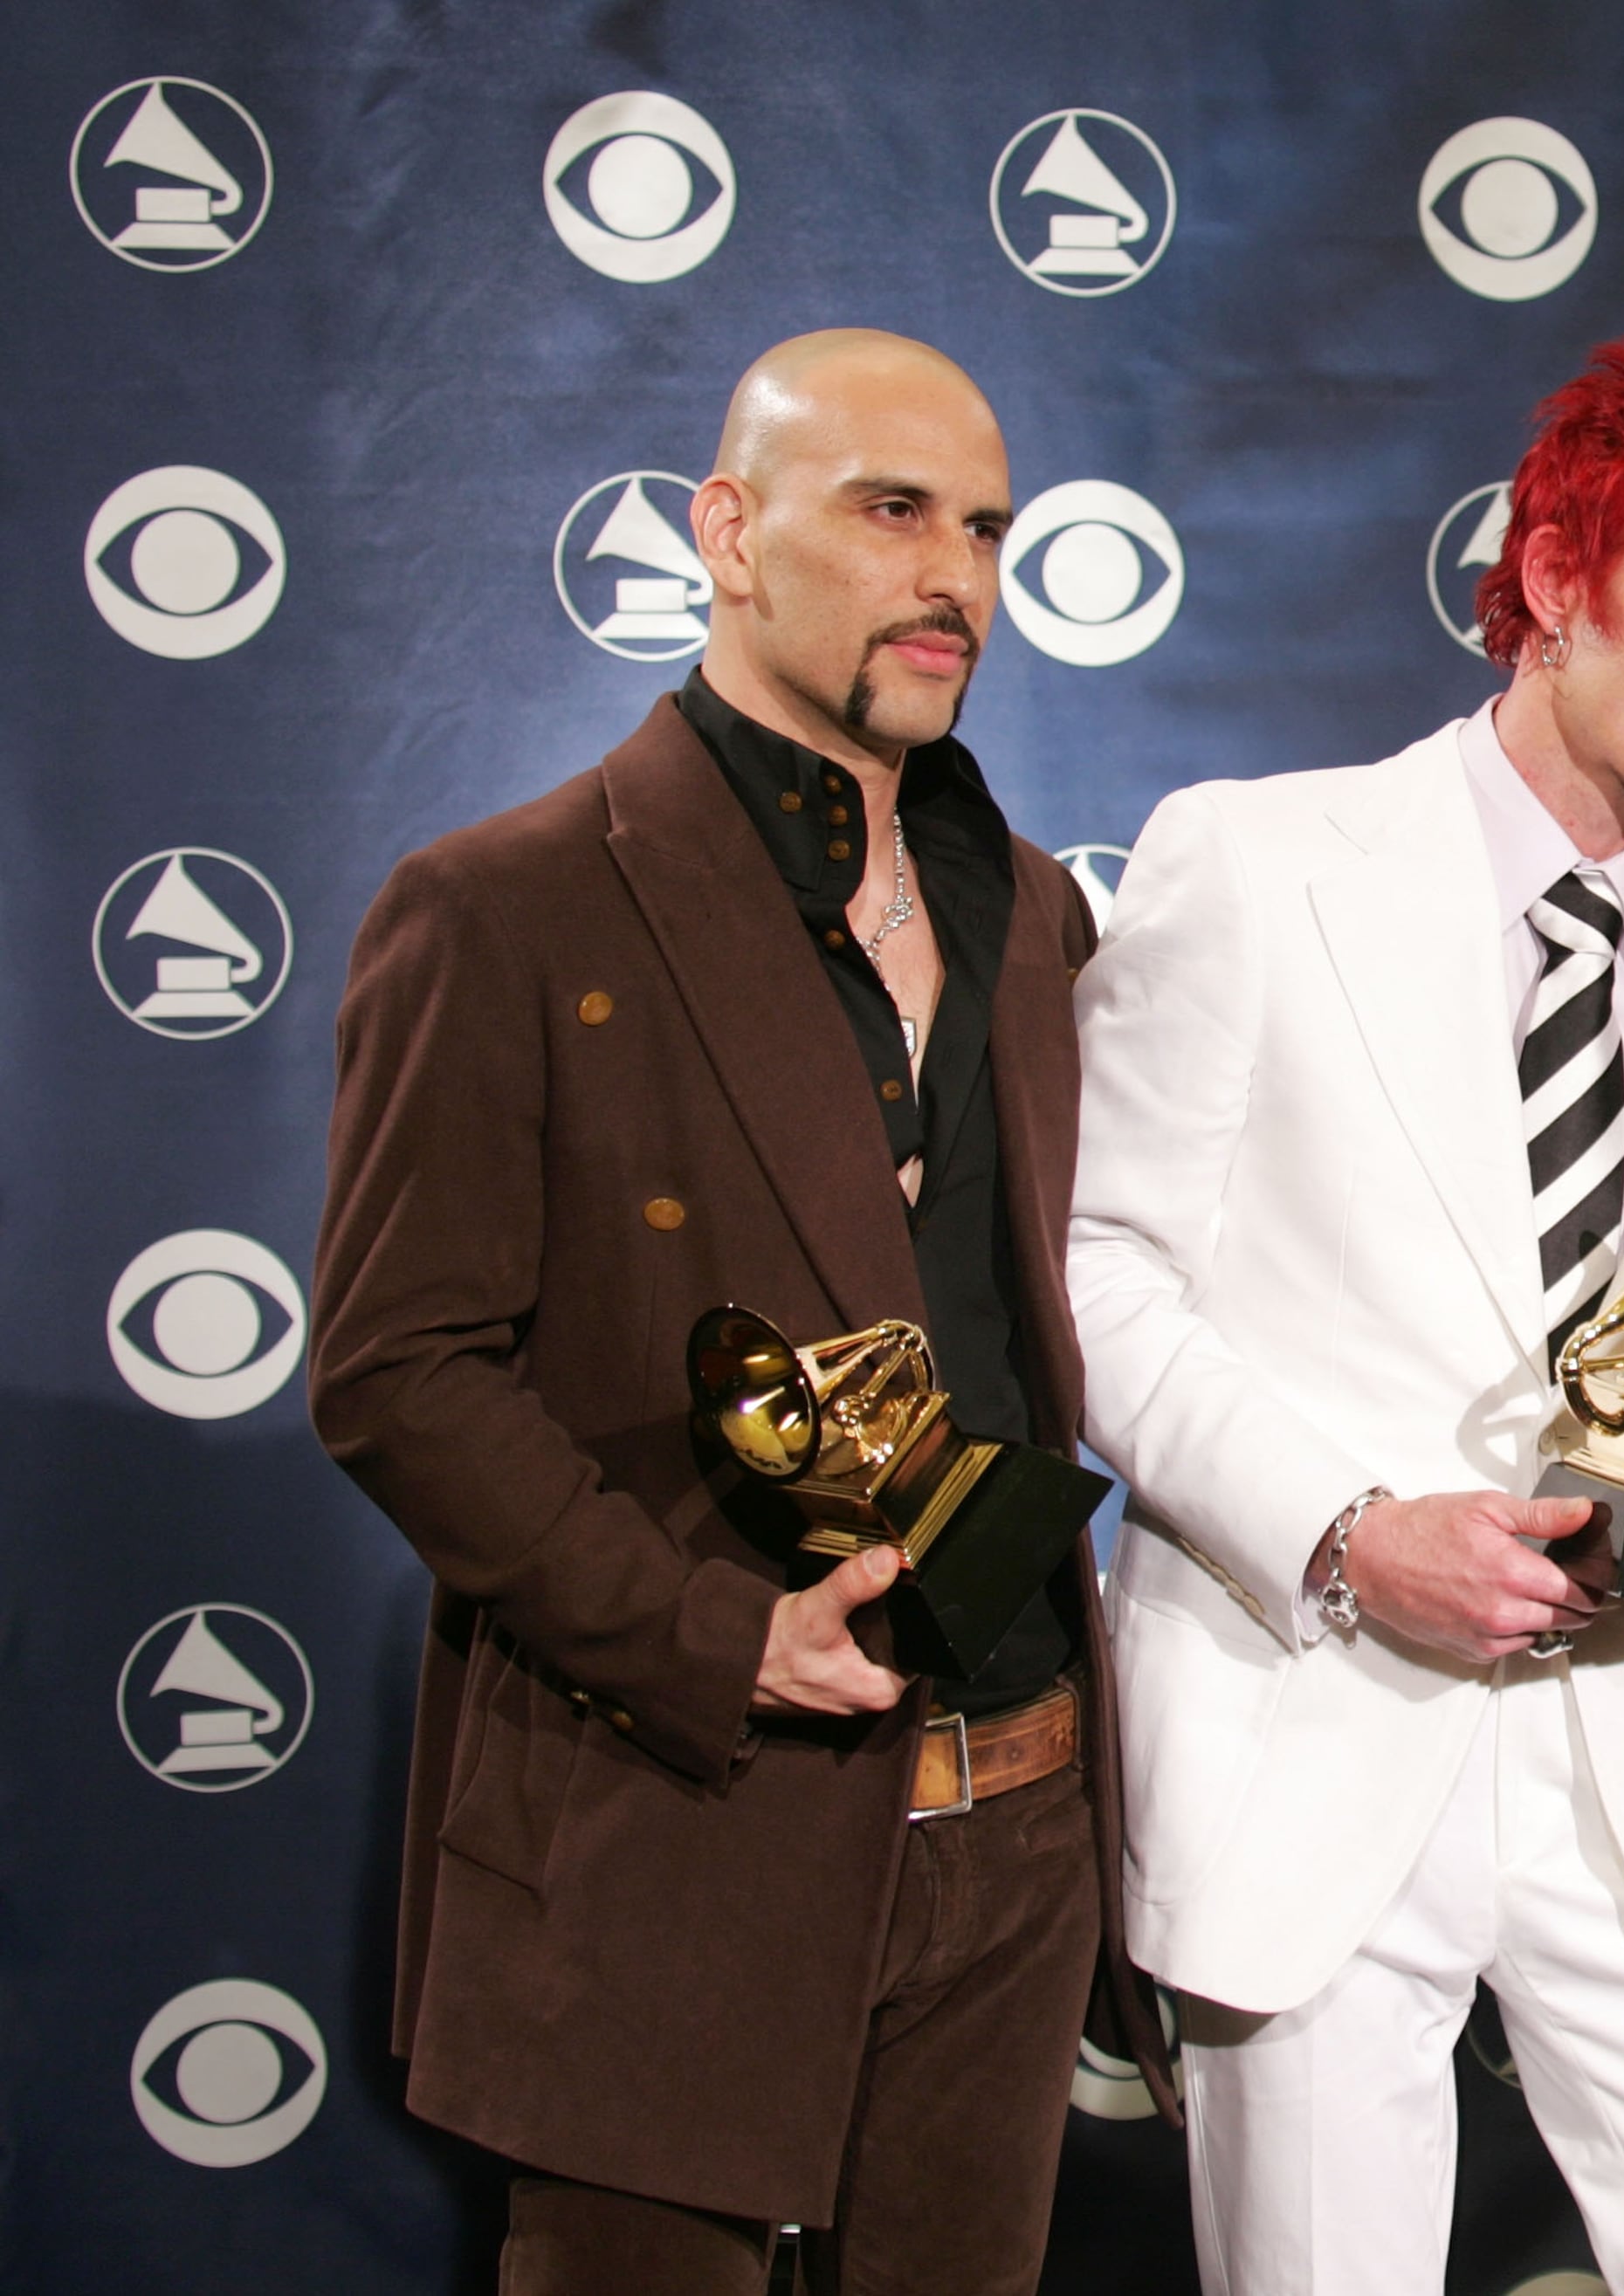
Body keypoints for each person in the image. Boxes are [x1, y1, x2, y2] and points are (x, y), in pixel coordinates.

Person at [1066, 331, 1624, 2296]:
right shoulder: (1259, 862)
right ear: (1553, 576)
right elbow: (1097, 1280)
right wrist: (1350, 1537)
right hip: (1316, 1705)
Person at [310, 331, 1157, 2295]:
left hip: (1019, 1821)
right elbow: (394, 1370)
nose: (953, 574)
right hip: (677, 1805)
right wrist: (718, 1638)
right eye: (889, 510)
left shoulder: (1034, 912)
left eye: (988, 528)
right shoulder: (504, 904)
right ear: (727, 529)